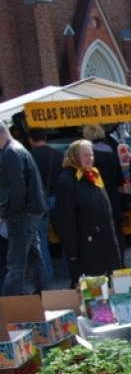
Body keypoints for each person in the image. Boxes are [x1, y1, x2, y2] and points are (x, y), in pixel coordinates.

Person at [52, 140, 121, 284]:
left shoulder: (92, 174)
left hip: (104, 241)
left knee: (110, 282)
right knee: (90, 286)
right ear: (74, 157)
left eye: (91, 155)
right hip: (87, 245)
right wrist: (72, 250)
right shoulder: (67, 180)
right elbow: (65, 219)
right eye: (85, 155)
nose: (89, 158)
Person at [0, 123, 47, 294]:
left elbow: (16, 188)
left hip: (22, 214)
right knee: (34, 257)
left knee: (15, 263)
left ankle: (8, 306)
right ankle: (44, 294)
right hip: (30, 211)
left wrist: (10, 214)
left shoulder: (11, 152)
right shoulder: (16, 149)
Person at [82, 125, 125, 265]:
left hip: (97, 200)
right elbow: (120, 179)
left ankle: (105, 263)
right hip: (114, 198)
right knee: (117, 232)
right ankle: (120, 261)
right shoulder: (111, 152)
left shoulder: (89, 157)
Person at [27, 128, 62, 282]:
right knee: (67, 237)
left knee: (41, 240)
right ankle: (72, 273)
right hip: (60, 199)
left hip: (40, 202)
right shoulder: (58, 155)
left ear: (30, 140)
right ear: (45, 137)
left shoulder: (29, 157)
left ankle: (47, 276)